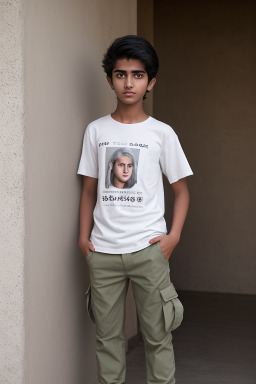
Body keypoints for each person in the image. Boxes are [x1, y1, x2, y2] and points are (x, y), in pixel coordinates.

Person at [77, 35, 194, 384]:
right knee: (108, 341)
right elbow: (88, 191)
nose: (129, 82)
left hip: (149, 251)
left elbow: (182, 191)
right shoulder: (96, 130)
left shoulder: (162, 133)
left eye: (138, 75)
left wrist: (172, 237)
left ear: (150, 82)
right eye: (121, 74)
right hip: (104, 252)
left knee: (159, 338)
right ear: (110, 79)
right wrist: (83, 239)